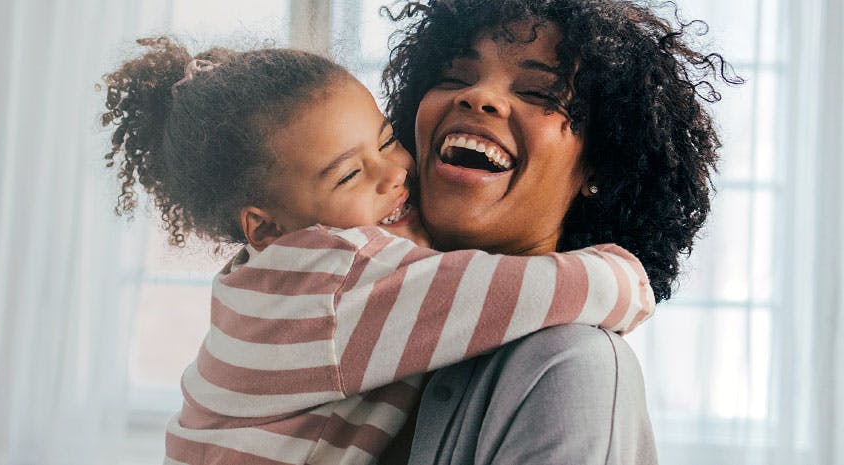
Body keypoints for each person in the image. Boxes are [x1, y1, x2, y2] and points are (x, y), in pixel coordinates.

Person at [99, 38, 655, 465]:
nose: (395, 171)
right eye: (348, 176)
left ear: (602, 162)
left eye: (388, 141)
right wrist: (626, 273)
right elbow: (559, 288)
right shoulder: (336, 278)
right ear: (266, 229)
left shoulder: (572, 364)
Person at [377, 0, 742, 463]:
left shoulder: (574, 364)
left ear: (600, 165)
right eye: (453, 77)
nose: (478, 97)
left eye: (539, 93)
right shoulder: (357, 318)